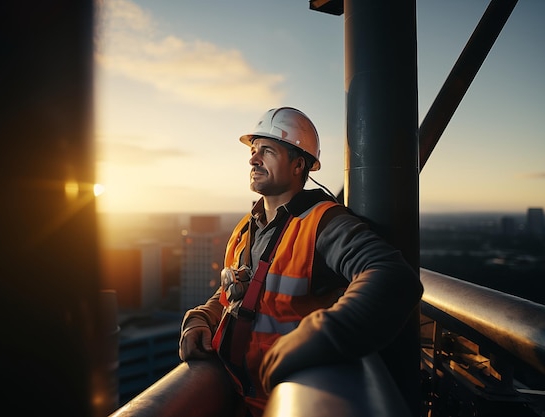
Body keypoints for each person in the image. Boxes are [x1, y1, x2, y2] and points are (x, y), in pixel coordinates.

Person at [178, 107, 423, 416]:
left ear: (298, 165)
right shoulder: (246, 227)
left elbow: (393, 278)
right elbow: (236, 294)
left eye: (267, 151)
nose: (253, 159)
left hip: (291, 402)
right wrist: (202, 317)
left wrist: (321, 336)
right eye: (253, 152)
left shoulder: (323, 223)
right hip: (240, 397)